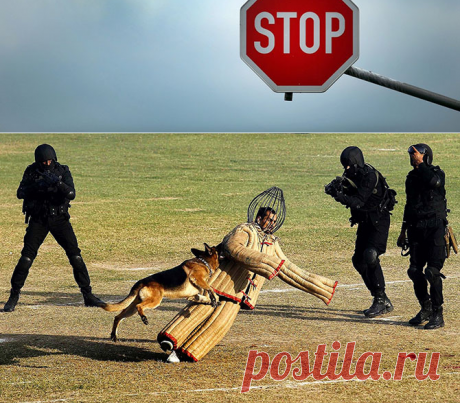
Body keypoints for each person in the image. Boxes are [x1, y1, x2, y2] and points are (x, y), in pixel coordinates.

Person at [157, 186, 336, 363]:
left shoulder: (272, 242)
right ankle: (170, 338)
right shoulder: (245, 229)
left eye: (274, 221)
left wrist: (320, 287)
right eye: (269, 220)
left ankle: (183, 354)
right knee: (199, 310)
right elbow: (233, 248)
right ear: (259, 218)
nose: (272, 223)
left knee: (219, 325)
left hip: (239, 292)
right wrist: (264, 262)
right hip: (221, 283)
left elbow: (287, 268)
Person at [3, 144, 104, 312]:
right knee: (26, 258)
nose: (47, 164)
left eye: (50, 160)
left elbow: (71, 193)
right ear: (38, 161)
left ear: (54, 159)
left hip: (59, 219)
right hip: (39, 220)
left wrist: (58, 183)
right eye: (43, 162)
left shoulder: (62, 171)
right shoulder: (31, 171)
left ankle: (88, 295)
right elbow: (20, 193)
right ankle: (14, 295)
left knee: (75, 256)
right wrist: (38, 185)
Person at [325, 145, 395, 318]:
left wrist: (338, 196)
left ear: (356, 162)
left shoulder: (370, 176)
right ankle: (381, 298)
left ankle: (380, 300)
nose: (346, 168)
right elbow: (350, 193)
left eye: (348, 164)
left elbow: (358, 202)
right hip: (365, 221)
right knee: (358, 260)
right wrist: (336, 188)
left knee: (371, 255)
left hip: (379, 221)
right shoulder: (352, 174)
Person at [397, 142, 448, 330]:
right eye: (411, 155)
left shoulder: (436, 173)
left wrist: (423, 164)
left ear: (425, 156)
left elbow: (434, 183)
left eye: (416, 154)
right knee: (414, 271)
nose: (412, 157)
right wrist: (403, 231)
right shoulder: (411, 178)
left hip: (434, 228)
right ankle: (425, 307)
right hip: (416, 228)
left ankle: (437, 313)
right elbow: (409, 205)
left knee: (432, 272)